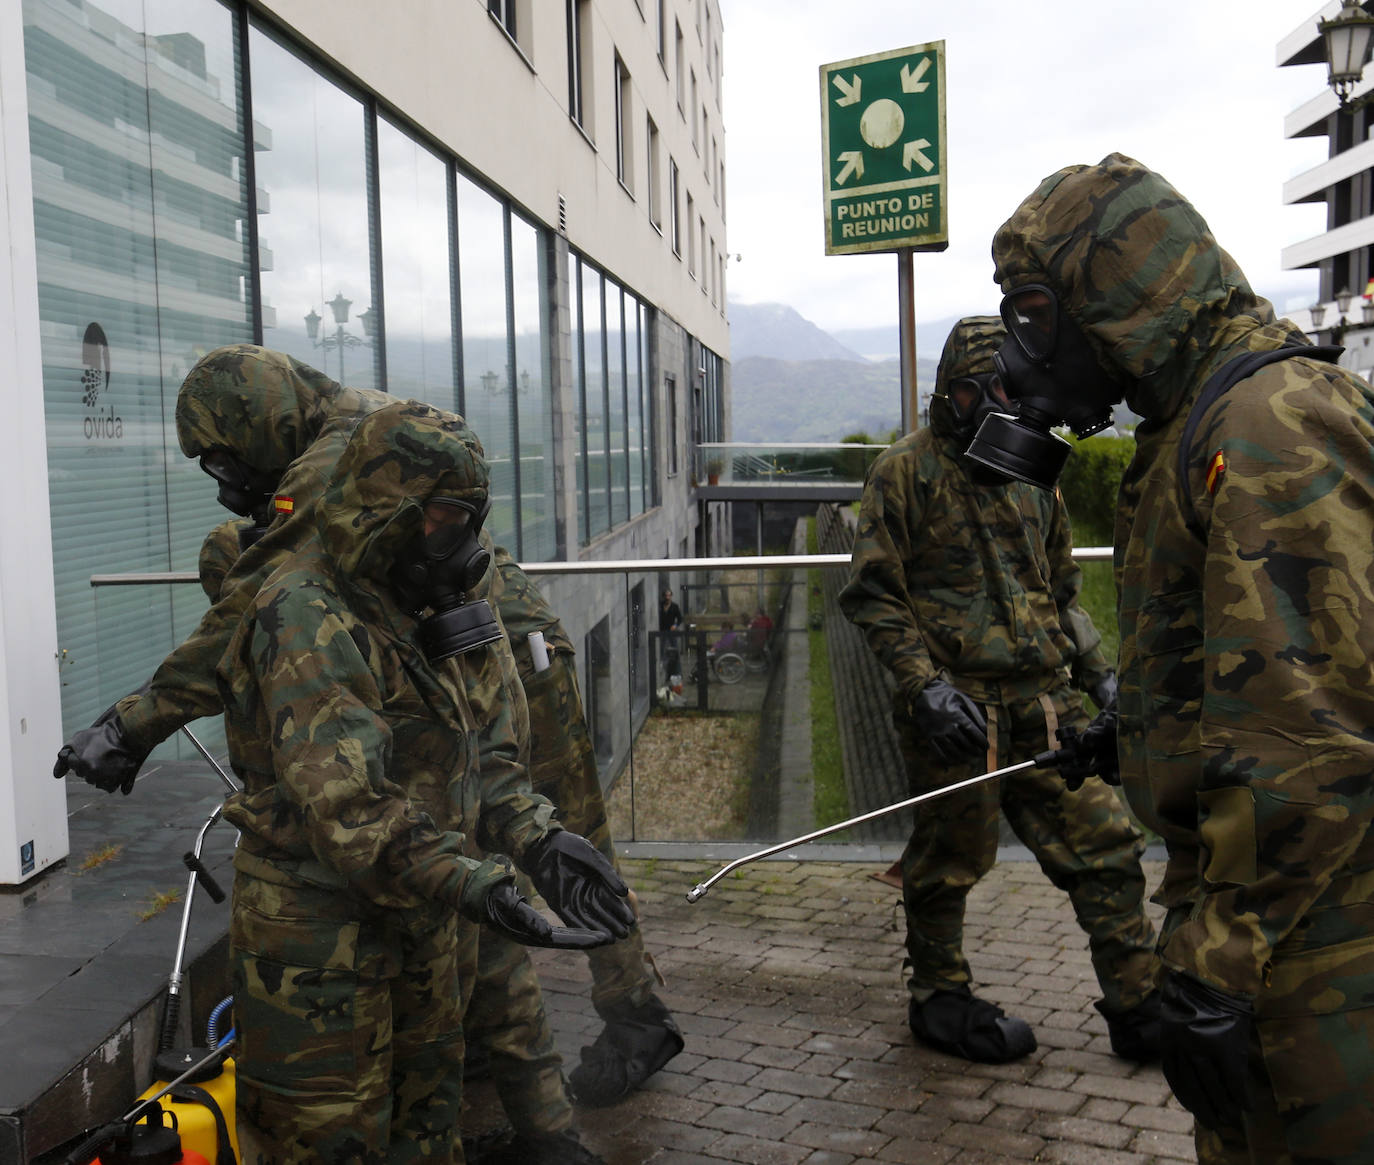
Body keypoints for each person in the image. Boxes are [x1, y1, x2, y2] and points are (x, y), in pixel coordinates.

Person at [987, 153, 1374, 1164]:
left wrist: (1217, 961)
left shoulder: (1268, 423)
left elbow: (1314, 738)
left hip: (1321, 945)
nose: (1021, 356)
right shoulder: (1194, 428)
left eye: (1034, 313)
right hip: (1274, 931)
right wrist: (1138, 735)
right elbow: (1243, 675)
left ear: (1118, 291)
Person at [218, 398, 634, 1161]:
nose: (464, 540)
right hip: (322, 949)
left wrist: (541, 841)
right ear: (385, 503)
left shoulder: (438, 597)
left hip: (426, 919)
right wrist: (484, 886)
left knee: (428, 1134)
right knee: (332, 1143)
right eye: (447, 515)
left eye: (471, 516)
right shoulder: (304, 613)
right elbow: (353, 814)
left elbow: (488, 758)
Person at [838, 315, 1161, 1065]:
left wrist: (1099, 675)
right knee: (949, 858)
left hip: (1047, 704)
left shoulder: (1031, 477)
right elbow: (875, 593)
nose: (987, 405)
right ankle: (940, 998)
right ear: (953, 392)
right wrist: (922, 687)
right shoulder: (905, 472)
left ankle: (1140, 1002)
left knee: (1107, 845)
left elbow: (1062, 592)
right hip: (957, 709)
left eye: (1003, 390)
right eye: (972, 391)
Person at [485, 547, 683, 1112]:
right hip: (486, 636)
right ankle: (485, 1024)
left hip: (515, 649)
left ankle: (637, 1018)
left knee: (571, 841)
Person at [658, 587, 683, 682]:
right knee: (662, 648)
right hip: (662, 631)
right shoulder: (660, 606)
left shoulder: (674, 607)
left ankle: (678, 671)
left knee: (675, 649)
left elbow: (680, 619)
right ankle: (662, 665)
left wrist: (675, 625)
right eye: (666, 596)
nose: (668, 597)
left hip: (671, 631)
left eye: (669, 595)